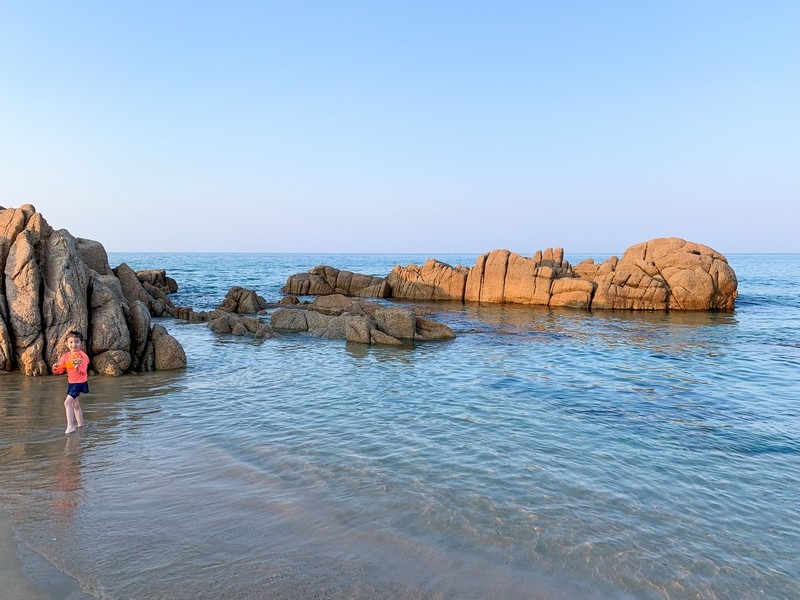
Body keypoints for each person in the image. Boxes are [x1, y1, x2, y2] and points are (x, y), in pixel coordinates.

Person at [52, 330, 90, 434]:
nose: (74, 344)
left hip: (80, 382)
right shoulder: (66, 356)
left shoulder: (83, 356)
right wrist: (55, 368)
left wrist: (78, 368)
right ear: (67, 344)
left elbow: (83, 371)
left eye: (77, 342)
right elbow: (60, 369)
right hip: (71, 382)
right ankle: (80, 425)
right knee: (75, 404)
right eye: (71, 342)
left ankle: (70, 426)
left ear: (81, 343)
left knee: (67, 402)